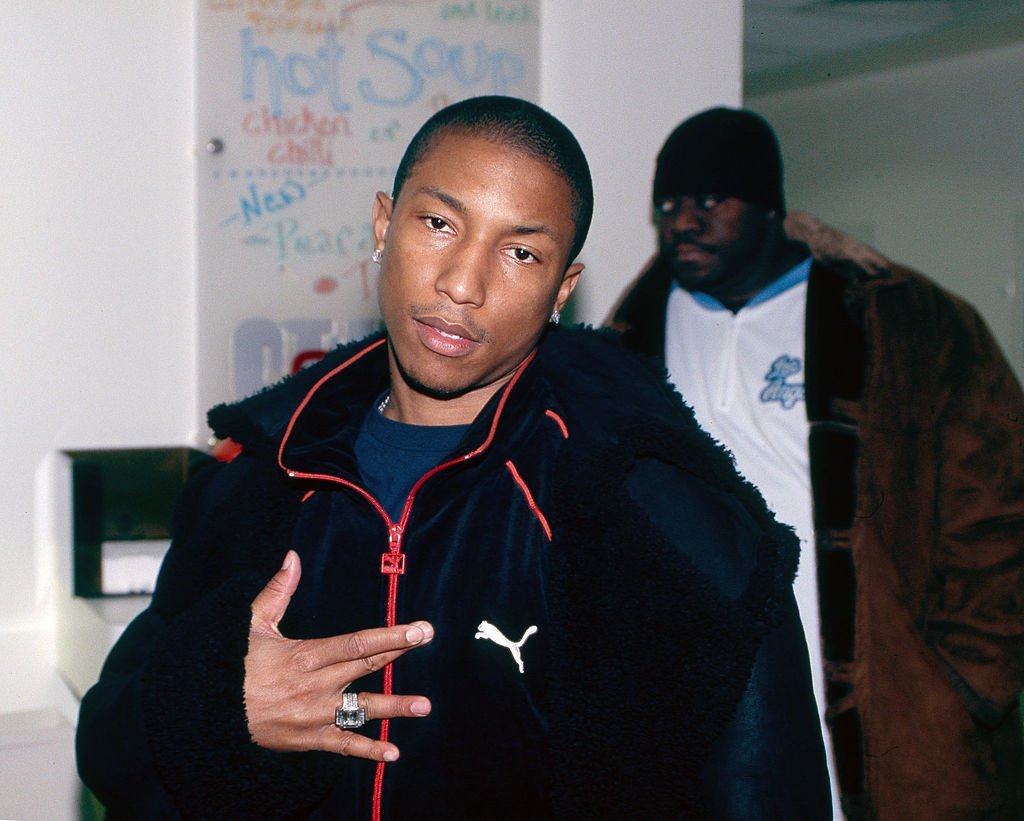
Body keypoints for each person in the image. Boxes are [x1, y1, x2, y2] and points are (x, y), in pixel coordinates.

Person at [75, 95, 829, 819]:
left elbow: (766, 792)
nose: (462, 284)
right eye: (439, 222)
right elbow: (107, 742)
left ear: (562, 288)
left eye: (522, 251)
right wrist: (222, 707)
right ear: (383, 223)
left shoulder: (657, 521)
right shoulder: (260, 480)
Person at [608, 105, 1024, 820]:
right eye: (669, 204)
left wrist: (963, 679)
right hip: (707, 703)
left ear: (768, 206)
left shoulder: (904, 320)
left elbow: (1001, 505)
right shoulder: (629, 336)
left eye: (710, 201)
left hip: (887, 711)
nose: (683, 222)